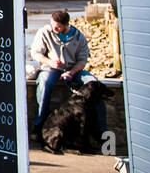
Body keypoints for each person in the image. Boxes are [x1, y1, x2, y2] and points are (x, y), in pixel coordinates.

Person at [31, 9, 106, 137]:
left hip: (74, 69)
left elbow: (82, 60)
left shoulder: (78, 36)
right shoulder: (44, 32)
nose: (53, 27)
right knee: (44, 83)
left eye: (57, 26)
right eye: (52, 24)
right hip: (51, 68)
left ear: (66, 25)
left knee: (95, 86)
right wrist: (50, 62)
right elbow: (35, 53)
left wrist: (71, 72)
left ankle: (101, 131)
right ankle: (39, 126)